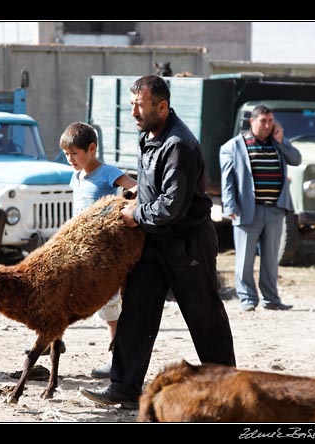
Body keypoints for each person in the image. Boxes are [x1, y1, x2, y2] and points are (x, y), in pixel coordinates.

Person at [80, 75, 236, 409]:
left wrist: (136, 214)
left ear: (162, 107)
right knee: (135, 311)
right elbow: (158, 189)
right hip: (153, 242)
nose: (133, 112)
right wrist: (135, 193)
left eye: (140, 105)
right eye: (132, 105)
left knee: (203, 314)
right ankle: (124, 387)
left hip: (187, 244)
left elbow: (171, 206)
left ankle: (228, 388)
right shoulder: (150, 136)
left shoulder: (178, 144)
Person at [59, 122, 137, 379]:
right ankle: (53, 340)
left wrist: (121, 210)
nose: (70, 159)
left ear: (91, 149)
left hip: (103, 253)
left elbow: (135, 188)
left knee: (109, 306)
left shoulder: (107, 173)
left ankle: (116, 357)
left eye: (75, 154)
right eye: (67, 154)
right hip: (79, 249)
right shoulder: (76, 176)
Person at [219, 104, 302, 312]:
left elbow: (296, 159)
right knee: (245, 260)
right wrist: (229, 204)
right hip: (248, 210)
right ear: (252, 122)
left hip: (275, 210)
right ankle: (248, 299)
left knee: (271, 260)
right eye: (263, 121)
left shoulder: (278, 144)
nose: (267, 125)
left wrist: (282, 141)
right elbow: (227, 179)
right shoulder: (234, 146)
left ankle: (271, 299)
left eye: (270, 121)